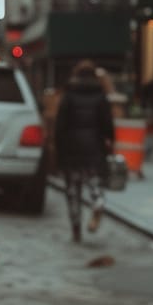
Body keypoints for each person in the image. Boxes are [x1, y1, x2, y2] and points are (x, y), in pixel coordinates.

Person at [55, 59, 114, 243]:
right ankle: (98, 202)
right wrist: (109, 142)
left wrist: (59, 150)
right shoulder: (100, 95)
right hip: (94, 149)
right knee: (94, 183)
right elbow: (108, 125)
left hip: (71, 151)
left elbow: (60, 126)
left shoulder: (69, 95)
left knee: (73, 191)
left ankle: (76, 229)